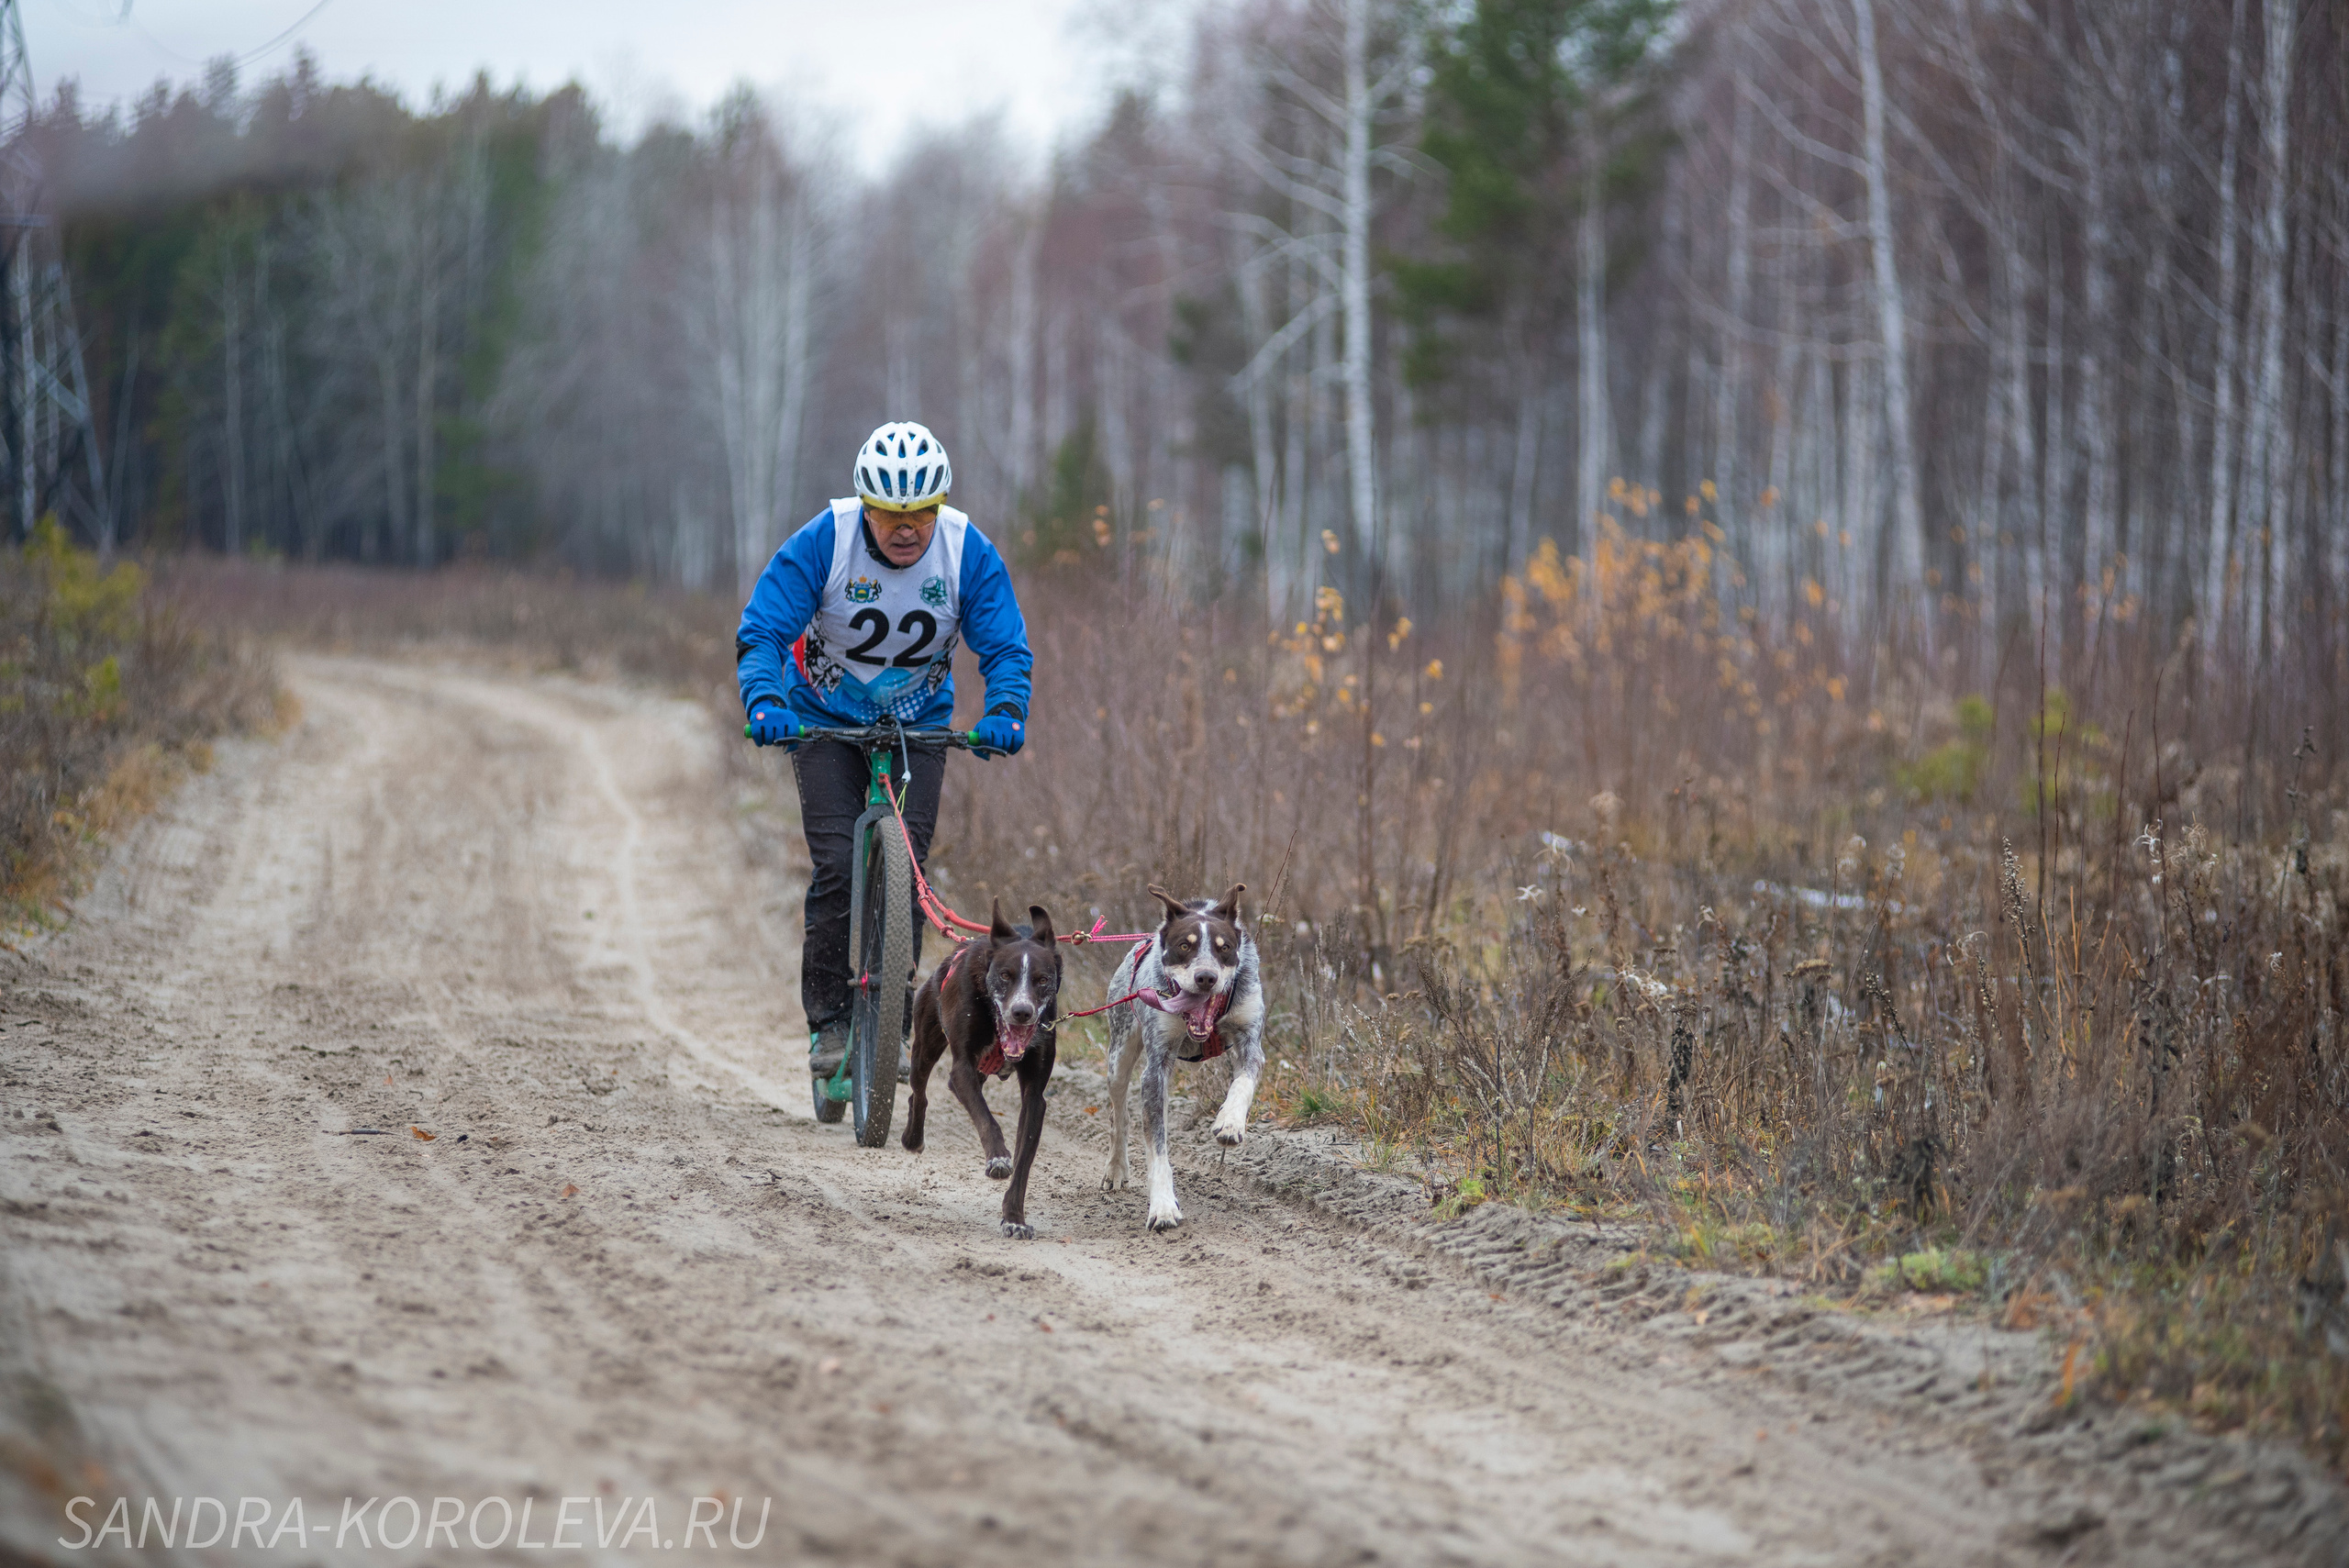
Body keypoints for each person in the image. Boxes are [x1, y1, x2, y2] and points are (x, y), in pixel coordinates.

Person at [735, 421, 1032, 1085]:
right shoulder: (826, 540)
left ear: (940, 505)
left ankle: (891, 1025)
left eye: (921, 513)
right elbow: (761, 631)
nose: (907, 528)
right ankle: (830, 1020)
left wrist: (1006, 709)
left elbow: (1006, 646)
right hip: (821, 718)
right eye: (892, 514)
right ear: (866, 506)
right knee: (839, 866)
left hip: (917, 723)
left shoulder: (965, 552)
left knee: (909, 875)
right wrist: (766, 702)